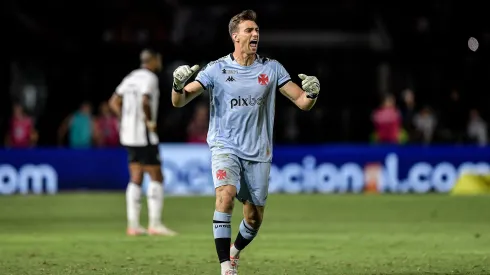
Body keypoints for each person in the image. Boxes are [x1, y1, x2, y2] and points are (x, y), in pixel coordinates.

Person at [171, 10, 320, 275]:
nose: (255, 34)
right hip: (225, 146)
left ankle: (235, 250)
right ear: (235, 36)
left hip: (259, 151)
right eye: (249, 30)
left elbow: (302, 102)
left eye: (257, 30)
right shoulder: (216, 69)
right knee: (225, 196)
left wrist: (313, 92)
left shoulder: (271, 68)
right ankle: (225, 266)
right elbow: (180, 100)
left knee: (253, 218)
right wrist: (177, 84)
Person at [109, 49, 176, 236]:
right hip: (143, 133)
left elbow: (113, 101)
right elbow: (145, 101)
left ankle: (134, 225)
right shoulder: (149, 78)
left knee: (136, 176)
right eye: (159, 59)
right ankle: (155, 224)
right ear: (153, 60)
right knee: (157, 176)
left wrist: (125, 118)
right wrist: (150, 122)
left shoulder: (131, 77)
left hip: (128, 134)